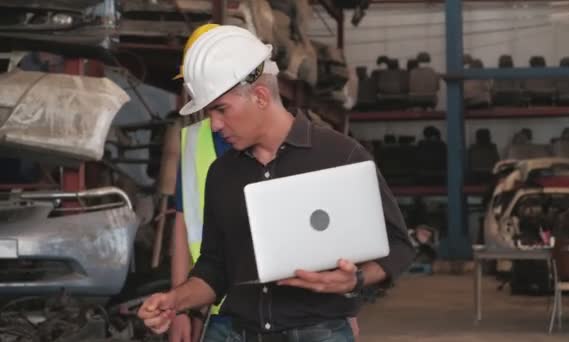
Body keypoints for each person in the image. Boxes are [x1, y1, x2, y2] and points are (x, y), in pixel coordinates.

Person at [138, 24, 415, 342]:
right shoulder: (222, 174)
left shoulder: (339, 154)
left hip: (318, 332)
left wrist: (356, 280)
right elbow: (215, 267)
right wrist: (176, 301)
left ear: (259, 96)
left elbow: (397, 245)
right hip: (236, 331)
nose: (214, 125)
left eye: (220, 110)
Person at [169, 23, 232, 342]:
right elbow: (182, 225)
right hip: (214, 306)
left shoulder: (269, 137)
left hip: (277, 309)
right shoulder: (193, 141)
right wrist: (180, 308)